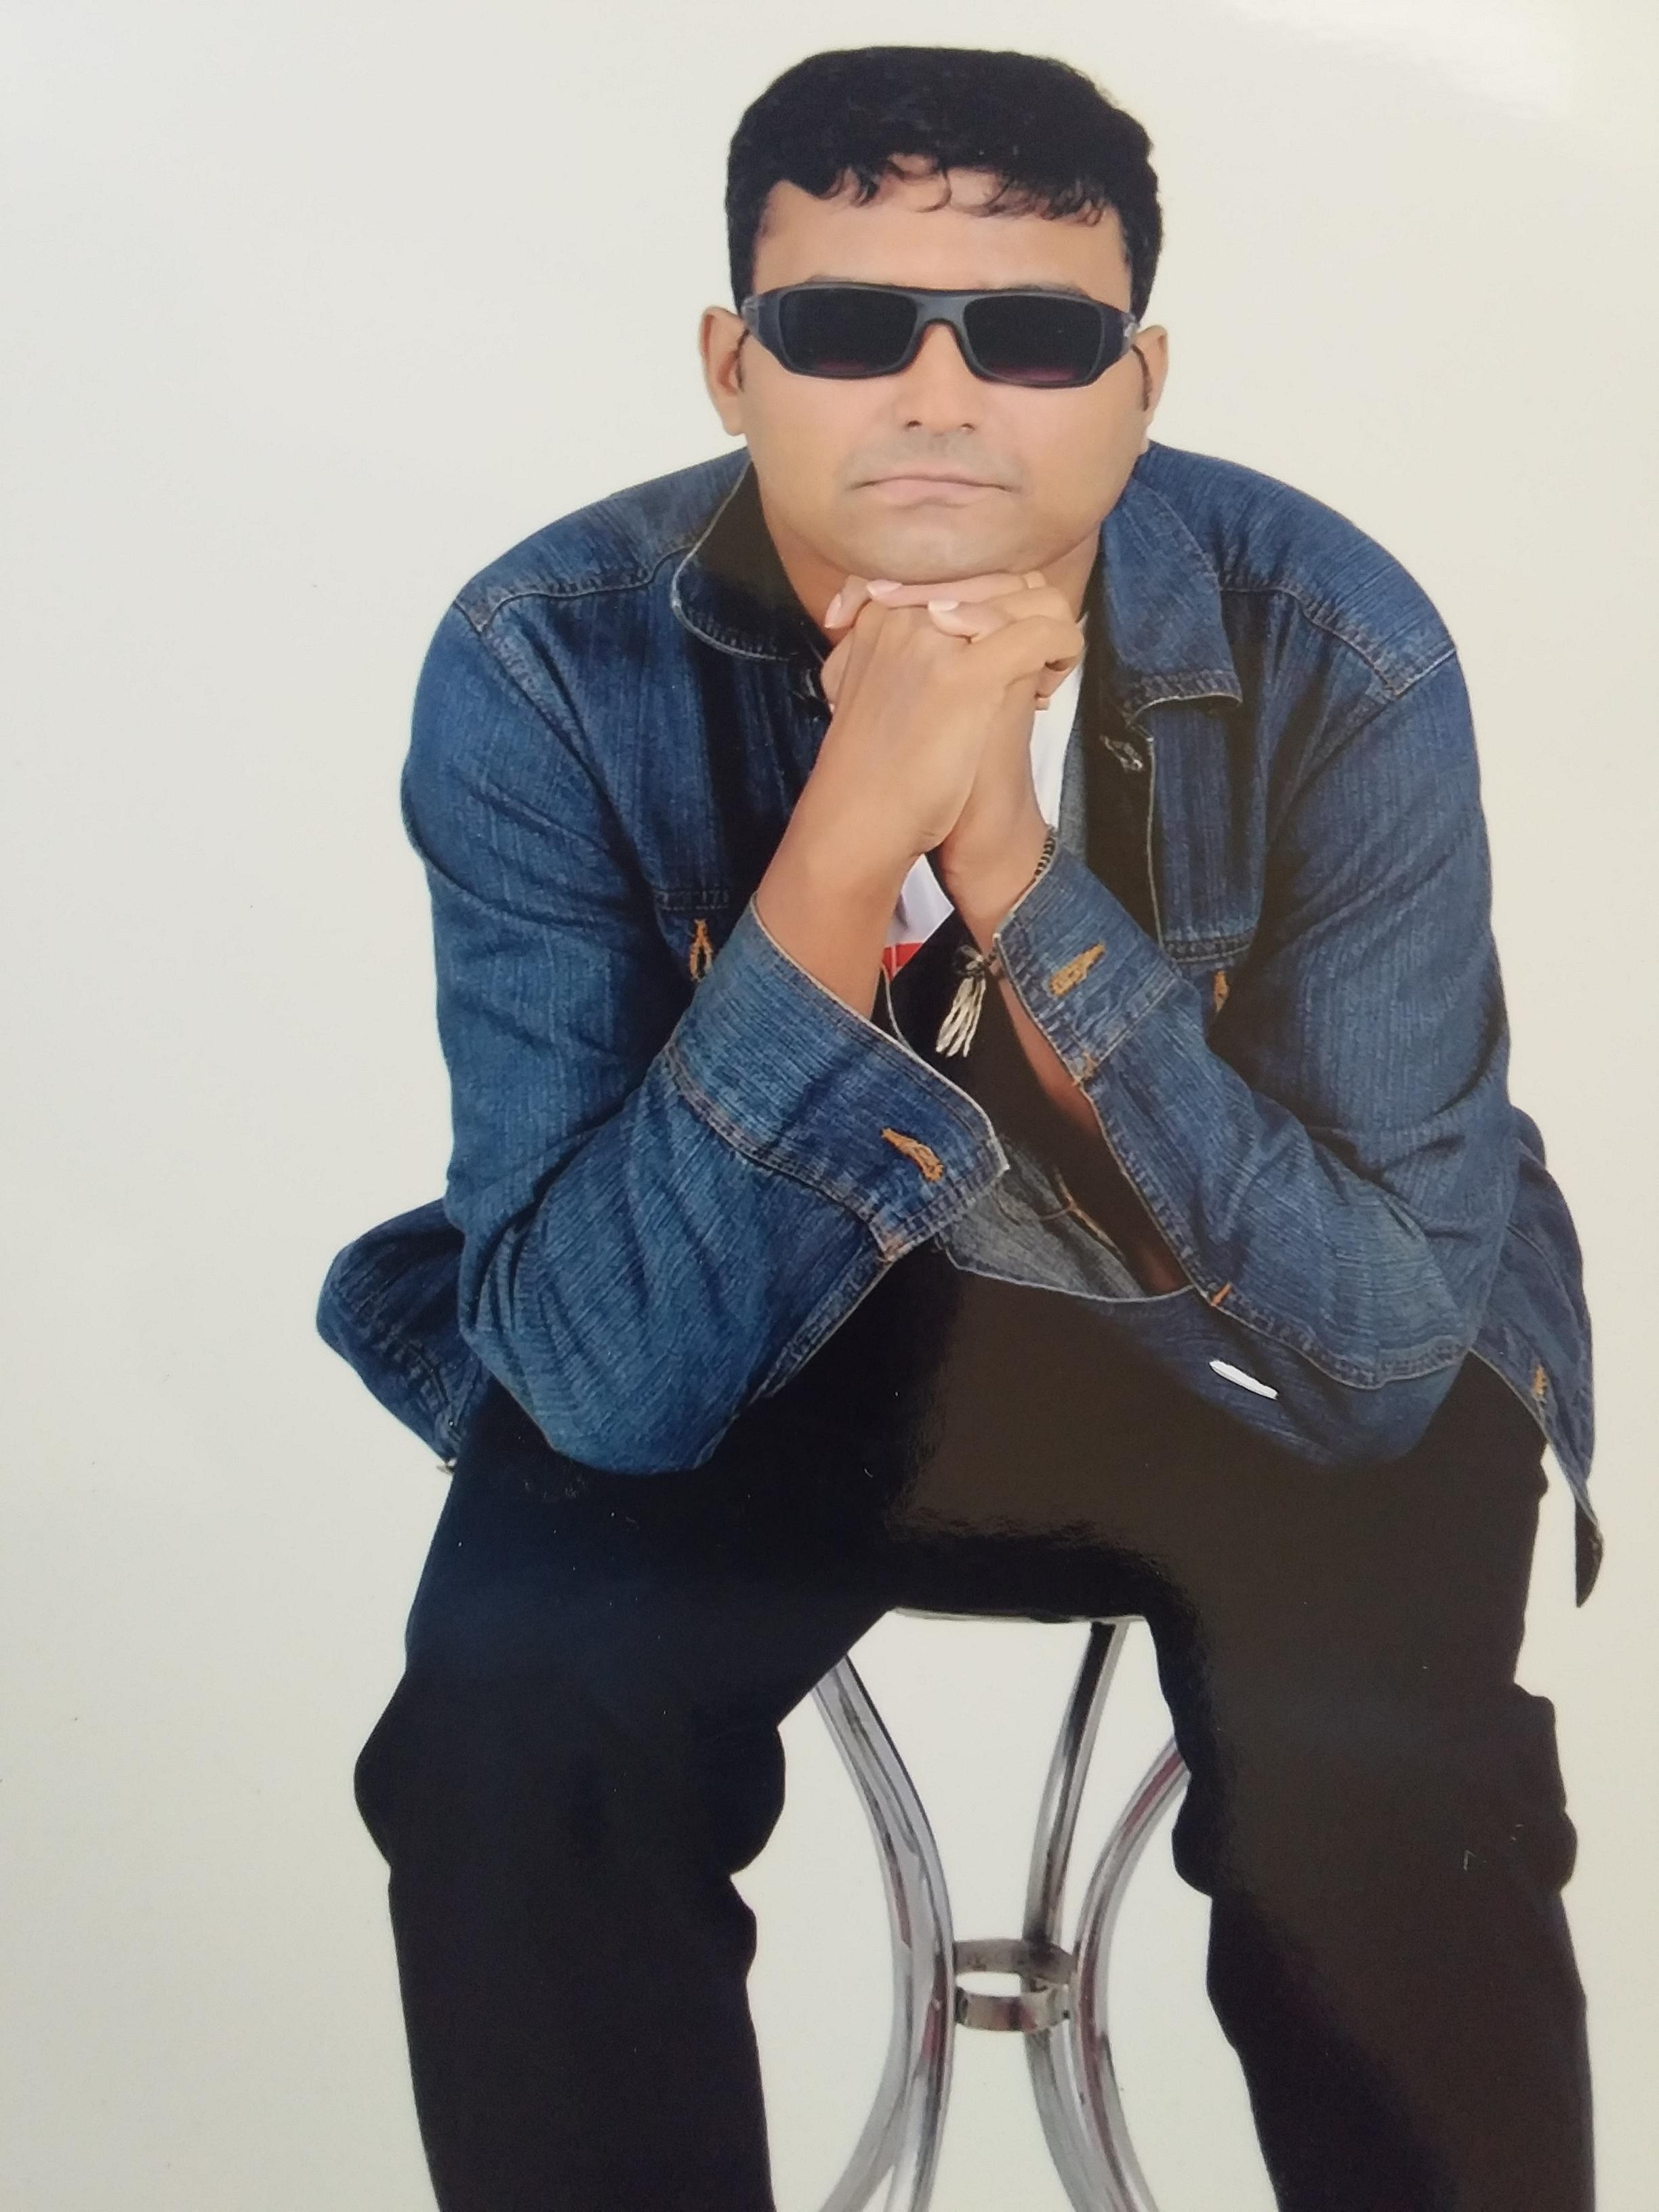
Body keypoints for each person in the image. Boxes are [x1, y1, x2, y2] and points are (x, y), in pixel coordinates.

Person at [316, 44, 1599, 2212]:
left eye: (1027, 334)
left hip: (1265, 1332)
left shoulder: (1341, 646)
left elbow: (1381, 1351)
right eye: (846, 325)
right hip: (764, 1337)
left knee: (1382, 1784)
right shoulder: (545, 660)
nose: (938, 394)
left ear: (1139, 379)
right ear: (732, 363)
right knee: (514, 1728)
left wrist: (1007, 858)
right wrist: (850, 839)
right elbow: (606, 1384)